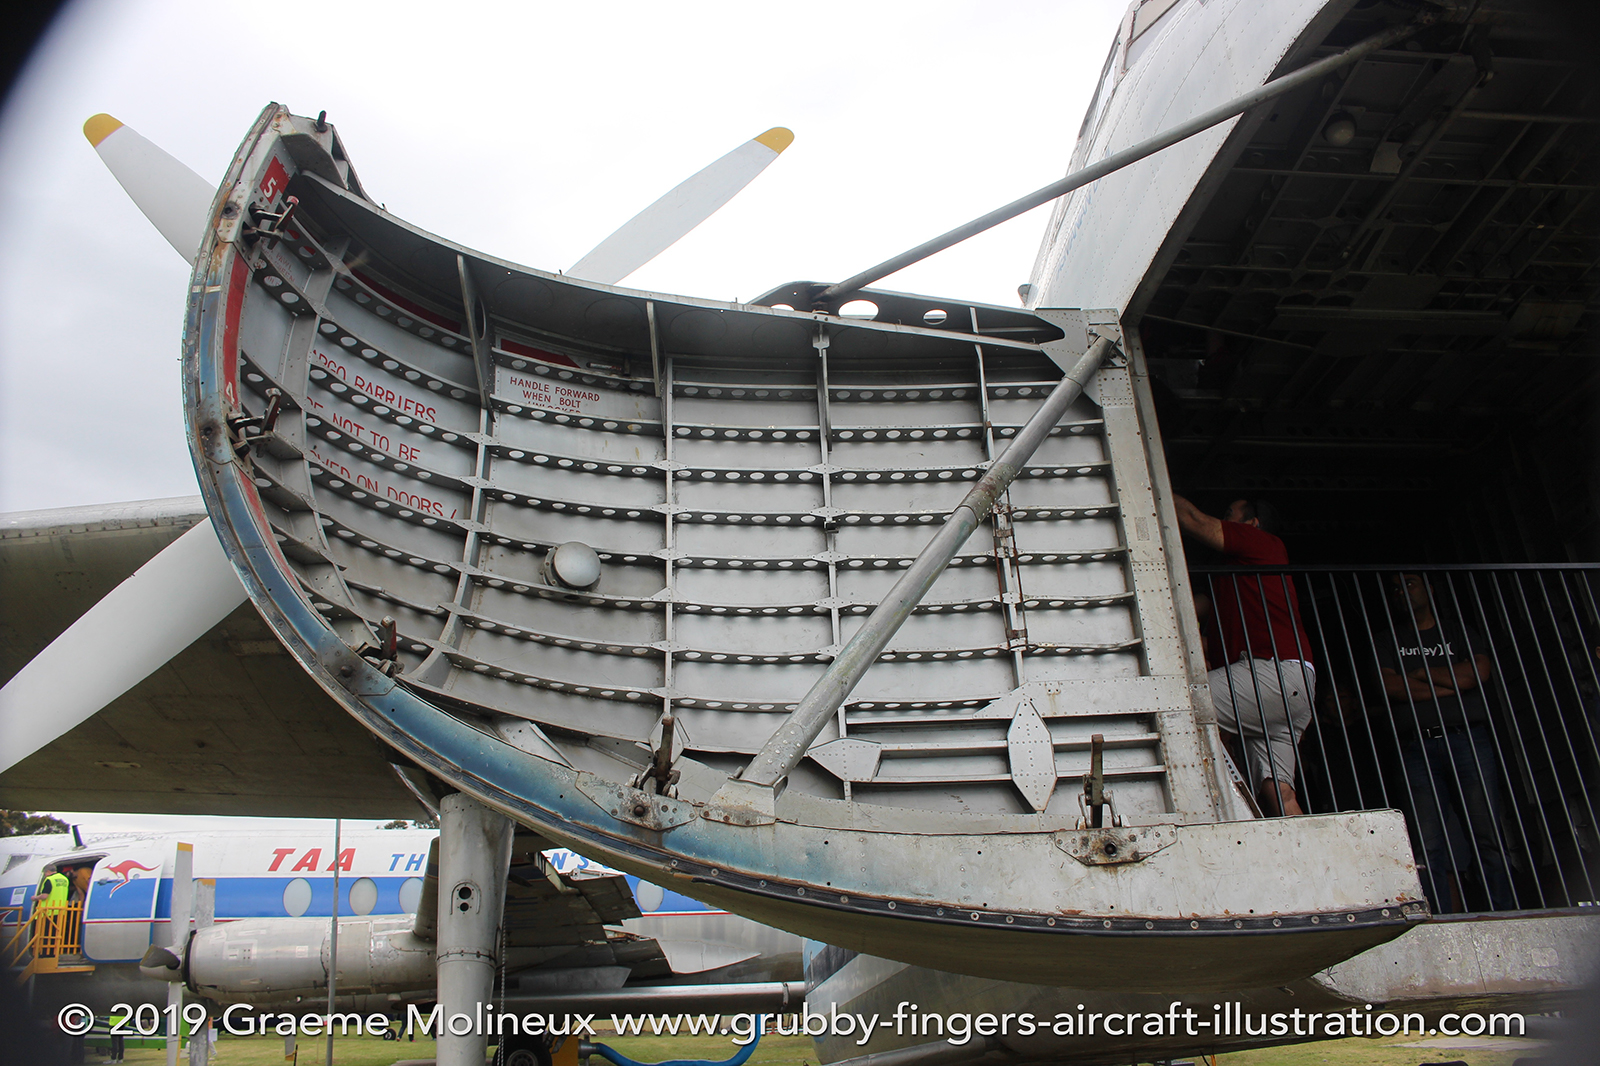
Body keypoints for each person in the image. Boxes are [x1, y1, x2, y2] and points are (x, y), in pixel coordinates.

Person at [1378, 572, 1514, 913]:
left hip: (1466, 737)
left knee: (1488, 835)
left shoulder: (1458, 631)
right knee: (1427, 846)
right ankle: (1439, 919)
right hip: (1416, 746)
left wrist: (1420, 674)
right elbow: (1390, 687)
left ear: (1429, 589)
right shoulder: (1385, 639)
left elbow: (1477, 674)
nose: (1402, 592)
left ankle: (1504, 913)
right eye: (1395, 588)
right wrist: (1449, 685)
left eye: (1409, 583)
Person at [1174, 496, 1315, 816]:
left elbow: (1196, 520)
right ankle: (1311, 857)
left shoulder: (1262, 542)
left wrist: (1151, 485)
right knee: (1280, 793)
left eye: (1230, 513)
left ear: (1253, 523)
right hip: (1292, 682)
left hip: (1270, 673)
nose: (1224, 517)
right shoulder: (1239, 578)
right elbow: (1190, 606)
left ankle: (1214, 817)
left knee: (1178, 702)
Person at [30, 866, 70, 957]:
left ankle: (45, 954)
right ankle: (53, 954)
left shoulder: (49, 879)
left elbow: (44, 896)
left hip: (48, 912)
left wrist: (35, 898)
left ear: (47, 871)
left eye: (45, 873)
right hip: (60, 911)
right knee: (55, 935)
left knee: (45, 934)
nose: (45, 875)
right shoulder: (65, 879)